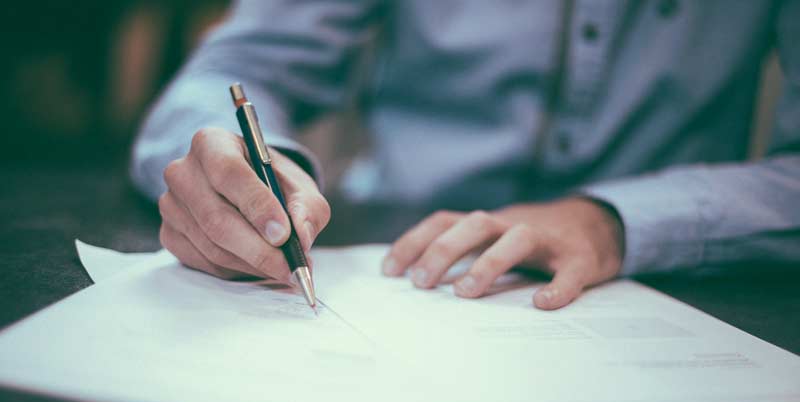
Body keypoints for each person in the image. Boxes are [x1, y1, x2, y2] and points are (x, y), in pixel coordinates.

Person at [131, 0, 800, 310]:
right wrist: (246, 170)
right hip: (395, 262)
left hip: (680, 285)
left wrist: (613, 220)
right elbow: (236, 68)